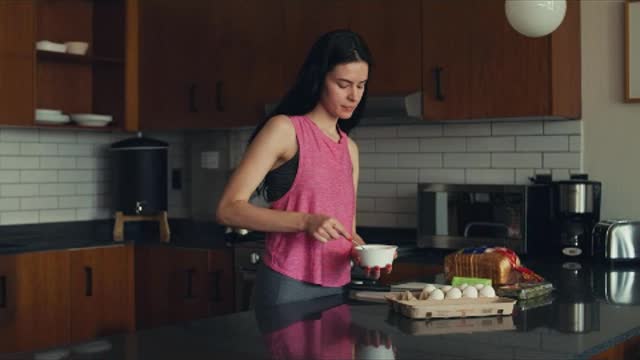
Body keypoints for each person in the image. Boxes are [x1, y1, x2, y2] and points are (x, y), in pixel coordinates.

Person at [215, 29, 393, 307]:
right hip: (287, 285)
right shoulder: (284, 130)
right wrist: (306, 221)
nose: (354, 96)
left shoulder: (349, 148)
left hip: (338, 287)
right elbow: (228, 209)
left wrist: (363, 253)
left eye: (361, 85)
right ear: (319, 78)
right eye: (343, 84)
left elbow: (346, 231)